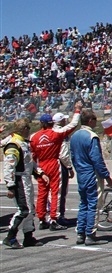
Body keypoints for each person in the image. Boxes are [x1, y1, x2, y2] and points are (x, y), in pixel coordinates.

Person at [29, 103, 81, 231]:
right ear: (51, 123)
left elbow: (32, 156)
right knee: (55, 193)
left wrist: (36, 171)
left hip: (41, 165)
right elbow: (73, 125)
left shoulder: (33, 137)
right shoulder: (56, 133)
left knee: (42, 193)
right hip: (53, 163)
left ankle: (41, 219)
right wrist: (77, 111)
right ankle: (54, 218)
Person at [70, 109, 112, 245]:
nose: (96, 122)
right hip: (91, 173)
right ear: (90, 121)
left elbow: (72, 156)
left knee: (83, 204)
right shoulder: (91, 136)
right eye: (95, 120)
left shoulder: (74, 136)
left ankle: (80, 233)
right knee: (93, 204)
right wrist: (106, 175)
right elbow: (96, 159)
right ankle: (90, 234)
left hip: (81, 173)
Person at [3, 118, 45, 248]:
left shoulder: (23, 143)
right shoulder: (14, 144)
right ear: (23, 129)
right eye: (28, 128)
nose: (29, 131)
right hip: (19, 180)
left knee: (31, 209)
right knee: (24, 210)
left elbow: (29, 162)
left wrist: (40, 172)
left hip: (26, 179)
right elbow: (8, 167)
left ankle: (28, 237)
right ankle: (10, 237)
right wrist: (10, 186)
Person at [53, 112, 76, 225]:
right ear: (60, 121)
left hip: (54, 163)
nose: (65, 121)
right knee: (61, 191)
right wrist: (69, 167)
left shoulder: (54, 131)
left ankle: (52, 215)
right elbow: (63, 153)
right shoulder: (60, 132)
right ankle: (58, 216)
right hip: (60, 164)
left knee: (55, 192)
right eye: (64, 120)